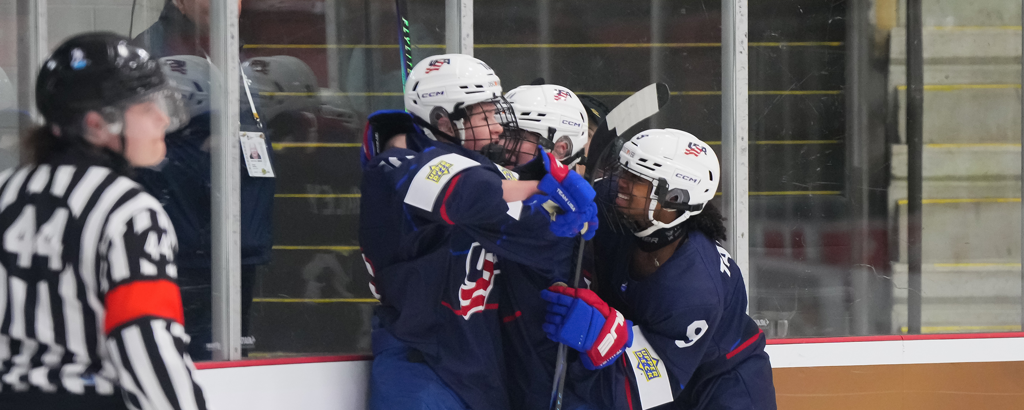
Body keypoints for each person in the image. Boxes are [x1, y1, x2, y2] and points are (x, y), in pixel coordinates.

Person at [359, 54, 600, 410]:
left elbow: (534, 230)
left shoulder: (481, 169)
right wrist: (540, 187)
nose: (498, 128)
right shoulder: (394, 167)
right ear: (443, 120)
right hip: (421, 369)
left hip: (476, 372)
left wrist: (561, 207)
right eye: (485, 116)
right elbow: (467, 193)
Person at [0, 32, 207, 410]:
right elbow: (146, 342)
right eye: (147, 108)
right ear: (98, 124)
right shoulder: (128, 211)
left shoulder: (5, 193)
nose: (163, 118)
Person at [545, 129, 776, 409]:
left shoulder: (694, 288)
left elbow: (645, 388)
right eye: (624, 170)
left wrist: (599, 337)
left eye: (637, 178)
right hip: (669, 366)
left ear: (674, 199)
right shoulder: (618, 204)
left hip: (724, 385)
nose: (621, 182)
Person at [132, 0, 273, 360]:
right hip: (185, 249)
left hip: (239, 243)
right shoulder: (147, 55)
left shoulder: (235, 49)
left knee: (231, 359)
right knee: (180, 360)